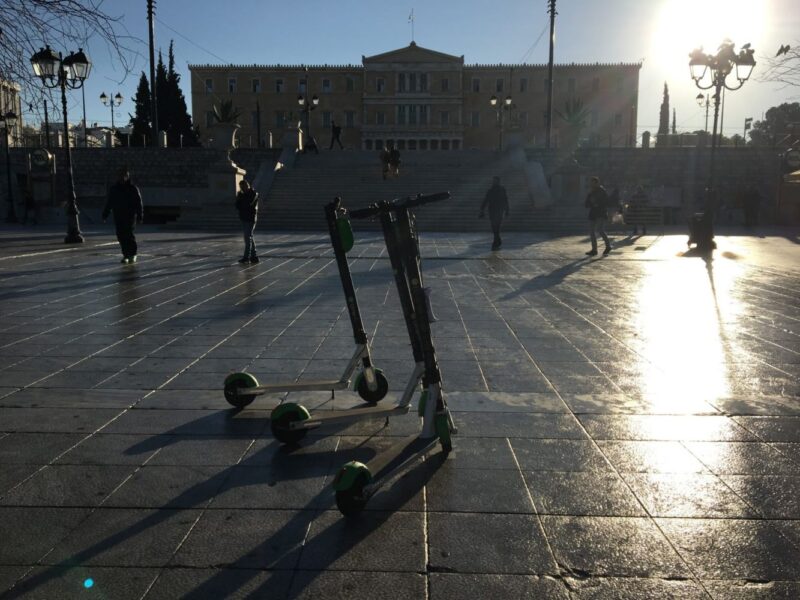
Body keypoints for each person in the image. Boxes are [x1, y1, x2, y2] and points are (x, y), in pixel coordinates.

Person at [102, 167, 143, 264]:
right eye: (120, 176)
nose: (122, 178)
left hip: (130, 216)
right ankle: (125, 255)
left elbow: (138, 203)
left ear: (127, 177)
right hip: (118, 216)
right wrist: (105, 214)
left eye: (124, 176)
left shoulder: (133, 189)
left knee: (129, 235)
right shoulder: (114, 189)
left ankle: (132, 254)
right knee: (120, 236)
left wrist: (140, 215)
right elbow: (110, 203)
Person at [479, 176, 510, 251]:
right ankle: (497, 240)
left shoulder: (502, 190)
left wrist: (507, 210)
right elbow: (486, 199)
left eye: (495, 181)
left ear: (498, 181)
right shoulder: (490, 190)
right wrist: (482, 209)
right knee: (494, 226)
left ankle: (496, 241)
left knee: (497, 226)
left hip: (499, 210)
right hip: (492, 211)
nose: (494, 182)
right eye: (493, 181)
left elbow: (505, 200)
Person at [585, 175, 612, 256]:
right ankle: (594, 249)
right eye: (591, 183)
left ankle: (608, 246)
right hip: (593, 213)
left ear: (597, 183)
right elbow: (586, 203)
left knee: (600, 230)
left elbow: (606, 202)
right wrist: (590, 202)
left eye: (593, 183)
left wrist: (598, 204)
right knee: (591, 231)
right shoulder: (591, 192)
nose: (592, 185)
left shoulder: (602, 191)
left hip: (601, 213)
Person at [235, 179, 259, 264]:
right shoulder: (241, 194)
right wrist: (241, 199)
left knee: (247, 237)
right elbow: (237, 205)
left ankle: (246, 257)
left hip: (251, 218)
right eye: (241, 187)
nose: (242, 188)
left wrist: (242, 199)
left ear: (247, 185)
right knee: (249, 237)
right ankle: (254, 256)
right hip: (244, 217)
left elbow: (248, 204)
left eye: (243, 186)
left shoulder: (253, 194)